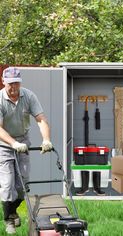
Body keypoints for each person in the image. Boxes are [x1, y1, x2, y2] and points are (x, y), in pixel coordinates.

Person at [0, 67, 53, 234]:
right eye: (10, 84)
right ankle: (9, 220)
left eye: (16, 83)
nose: (13, 87)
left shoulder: (28, 96)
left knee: (23, 184)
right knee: (8, 185)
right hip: (4, 145)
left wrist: (46, 140)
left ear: (20, 82)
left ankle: (12, 211)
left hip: (24, 141)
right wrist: (13, 144)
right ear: (3, 82)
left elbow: (41, 119)